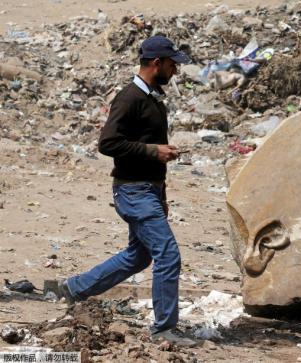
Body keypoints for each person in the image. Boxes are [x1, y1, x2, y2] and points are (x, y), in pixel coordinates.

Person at [58, 36, 196, 347]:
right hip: (133, 192)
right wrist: (152, 151)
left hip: (148, 191)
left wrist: (161, 194)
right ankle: (164, 329)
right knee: (168, 255)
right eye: (173, 64)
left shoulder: (152, 97)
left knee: (139, 256)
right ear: (156, 63)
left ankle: (75, 289)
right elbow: (107, 143)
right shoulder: (130, 97)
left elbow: (147, 147)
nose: (176, 70)